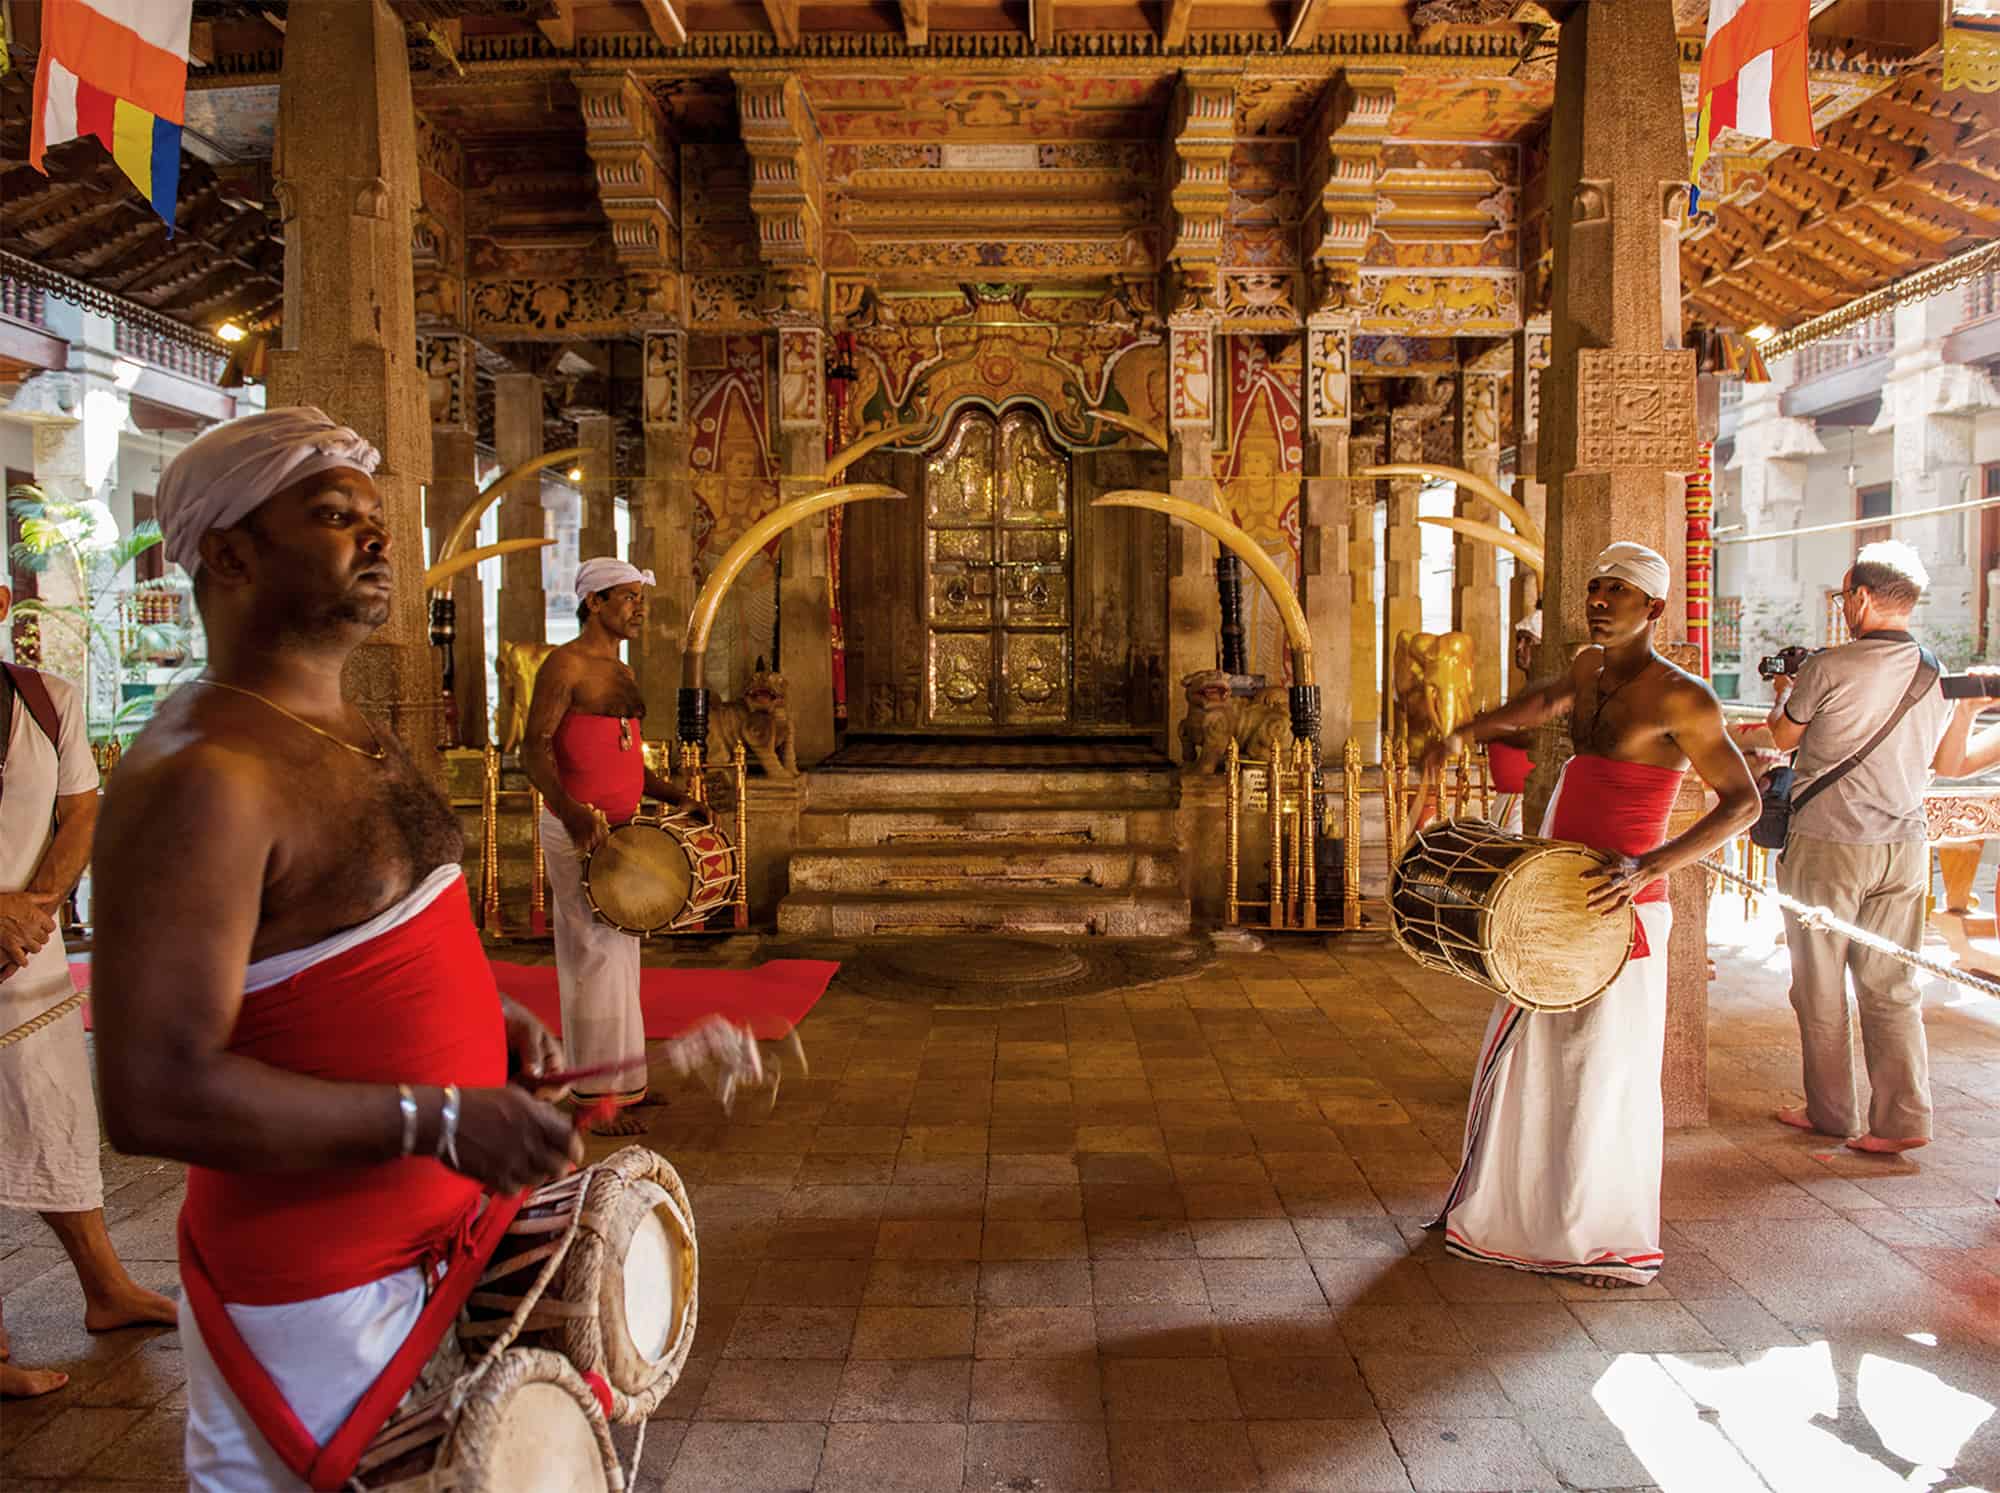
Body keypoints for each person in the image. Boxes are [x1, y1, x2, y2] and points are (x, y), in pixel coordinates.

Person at [87, 407, 585, 1489]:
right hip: (313, 1296)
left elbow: (352, 948)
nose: (377, 539)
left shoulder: (351, 727)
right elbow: (152, 1095)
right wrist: (438, 1113)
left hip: (439, 1244)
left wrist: (483, 1021)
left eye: (377, 518)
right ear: (229, 554)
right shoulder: (201, 773)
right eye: (331, 515)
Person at [1418, 542, 1759, 1287]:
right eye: (1597, 584)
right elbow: (1542, 702)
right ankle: (1517, 1217)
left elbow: (1745, 803)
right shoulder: (1586, 666)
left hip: (1621, 903)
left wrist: (1651, 866)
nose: (1600, 599)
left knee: (1606, 1065)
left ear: (1655, 609)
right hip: (1553, 887)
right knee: (1534, 1052)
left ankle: (1602, 1234)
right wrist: (1462, 731)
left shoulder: (1684, 697)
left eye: (1620, 590)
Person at [0, 596, 176, 1400]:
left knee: (53, 1117)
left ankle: (105, 1287)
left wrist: (33, 907)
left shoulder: (48, 697)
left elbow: (79, 810)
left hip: (25, 960)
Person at [1762, 540, 1952, 1156]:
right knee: (1892, 984)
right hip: (1905, 845)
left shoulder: (1829, 667)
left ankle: (1831, 1113)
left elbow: (1782, 736)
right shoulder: (1933, 669)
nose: (1845, 606)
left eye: (1846, 596)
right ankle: (1903, 1120)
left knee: (1819, 984)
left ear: (1863, 598)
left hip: (1830, 841)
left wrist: (1787, 689)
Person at [522, 558, 704, 1136]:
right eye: (626, 598)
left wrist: (675, 795)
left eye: (638, 598)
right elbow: (533, 751)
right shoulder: (565, 664)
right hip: (582, 829)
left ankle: (626, 1084)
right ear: (594, 603)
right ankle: (592, 1098)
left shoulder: (618, 669)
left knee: (620, 960)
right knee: (590, 956)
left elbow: (626, 757)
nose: (637, 608)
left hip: (624, 828)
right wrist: (573, 813)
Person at [1487, 608, 1543, 831]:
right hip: (1508, 800)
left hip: (1526, 804)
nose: (1519, 647)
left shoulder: (1552, 692)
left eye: (1528, 641)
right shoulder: (1528, 692)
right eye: (1518, 640)